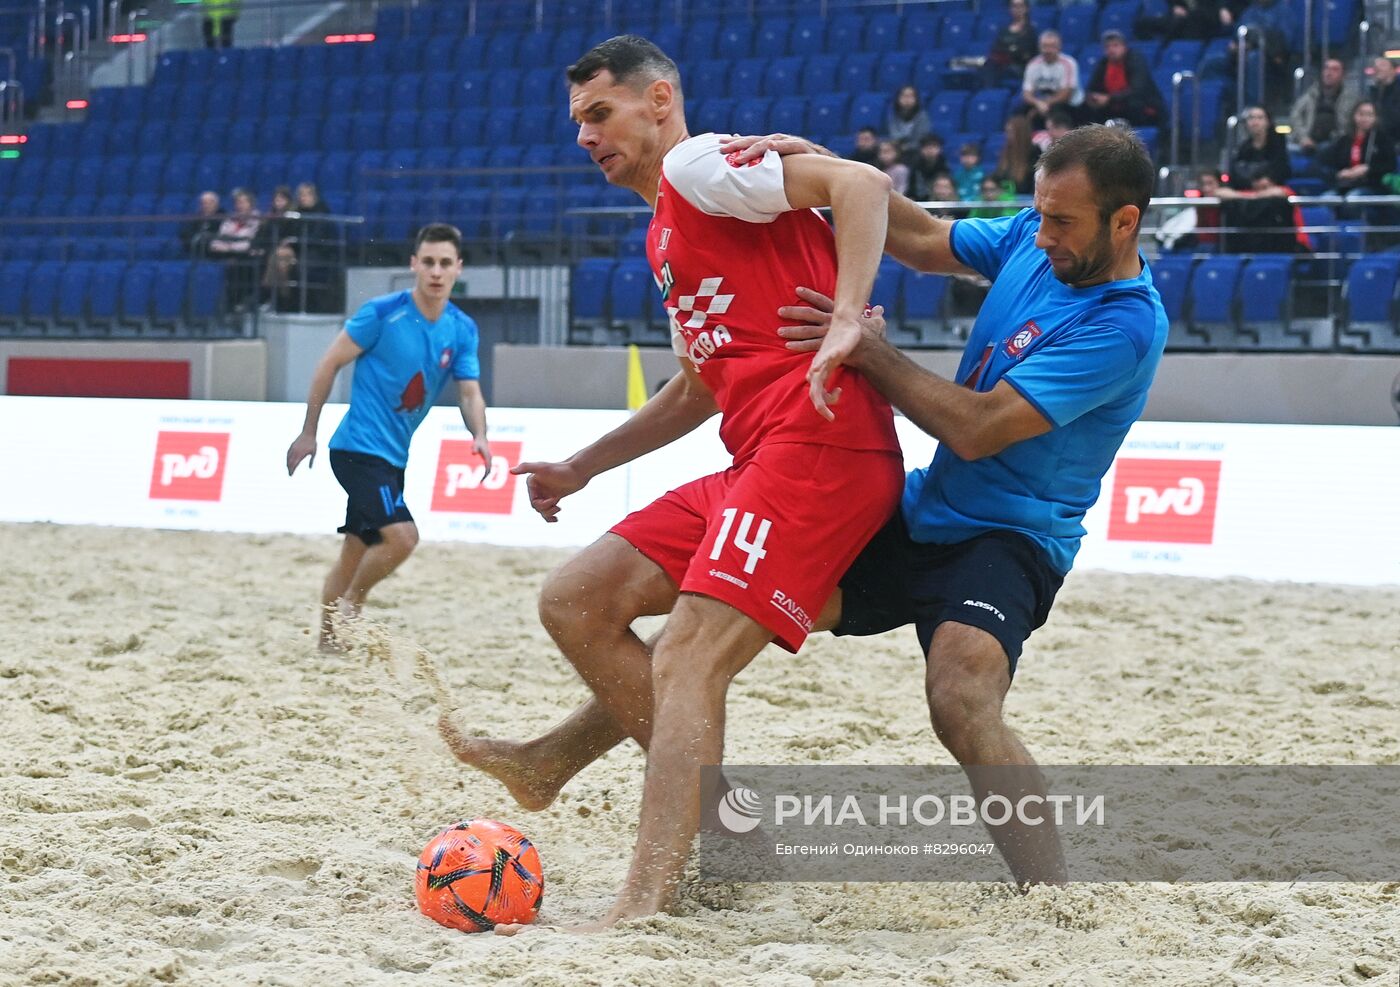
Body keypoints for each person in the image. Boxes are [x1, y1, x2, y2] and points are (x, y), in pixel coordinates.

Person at [450, 123, 1169, 900]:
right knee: (718, 617)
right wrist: (824, 165)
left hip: (1010, 535)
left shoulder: (1126, 323)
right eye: (1041, 212)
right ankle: (553, 759)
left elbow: (979, 425)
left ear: (1124, 221)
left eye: (1063, 222)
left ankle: (1052, 899)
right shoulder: (1038, 233)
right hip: (916, 510)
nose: (1045, 232)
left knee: (960, 696)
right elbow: (923, 238)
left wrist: (861, 344)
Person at [441, 34, 904, 933]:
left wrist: (850, 318)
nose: (585, 136)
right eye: (577, 122)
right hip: (757, 455)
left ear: (659, 102)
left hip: (823, 446)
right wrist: (583, 465)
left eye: (599, 114)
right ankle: (594, 781)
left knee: (688, 652)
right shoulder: (665, 222)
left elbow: (861, 185)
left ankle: (646, 896)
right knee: (578, 597)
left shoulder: (697, 166)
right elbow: (699, 384)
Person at [285, 224, 491, 651]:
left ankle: (327, 646)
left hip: (393, 457)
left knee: (355, 551)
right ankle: (351, 607)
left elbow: (468, 390)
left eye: (445, 264)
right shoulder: (381, 313)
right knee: (402, 537)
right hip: (356, 450)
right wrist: (308, 432)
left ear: (458, 269)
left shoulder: (461, 329)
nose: (436, 272)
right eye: (428, 262)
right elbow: (327, 365)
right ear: (414, 264)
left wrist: (481, 435)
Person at [1082, 30, 1165, 127]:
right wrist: (1094, 98)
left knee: (1133, 104)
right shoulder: (1103, 64)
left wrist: (1109, 99)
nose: (1111, 50)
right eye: (1107, 47)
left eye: (1115, 45)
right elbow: (1092, 87)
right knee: (1085, 107)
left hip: (1141, 106)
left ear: (1124, 47)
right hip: (1113, 106)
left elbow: (1137, 90)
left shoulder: (1136, 60)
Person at [1317, 100, 1396, 197]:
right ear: (1354, 116)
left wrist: (1367, 169)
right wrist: (1339, 173)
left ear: (1375, 118)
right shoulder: (1344, 140)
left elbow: (1390, 165)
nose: (1364, 118)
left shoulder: (1382, 140)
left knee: (1353, 198)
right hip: (1344, 186)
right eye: (1361, 114)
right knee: (1326, 198)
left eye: (1369, 115)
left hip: (1372, 186)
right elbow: (1325, 163)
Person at [1290, 58, 1360, 154]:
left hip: (1338, 144)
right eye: (1326, 68)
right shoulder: (1310, 94)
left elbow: (1352, 126)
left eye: (1334, 69)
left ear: (1343, 75)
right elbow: (1295, 115)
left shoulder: (1352, 99)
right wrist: (1303, 138)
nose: (1329, 73)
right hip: (1308, 141)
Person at [1021, 30, 1080, 129]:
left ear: (1059, 47)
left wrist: (1045, 104)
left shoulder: (1069, 63)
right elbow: (1026, 93)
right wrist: (1038, 104)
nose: (1047, 50)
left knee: (1057, 110)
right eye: (1044, 46)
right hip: (1040, 101)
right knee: (1020, 112)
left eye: (1051, 46)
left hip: (1064, 104)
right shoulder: (1033, 64)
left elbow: (1066, 94)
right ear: (1039, 47)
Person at [1226, 105, 1290, 190]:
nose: (1255, 122)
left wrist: (1267, 180)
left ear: (1268, 121)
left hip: (1272, 189)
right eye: (1251, 118)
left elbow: (1281, 169)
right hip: (1247, 188)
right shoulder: (1243, 148)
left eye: (1260, 118)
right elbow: (1235, 173)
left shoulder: (1279, 143)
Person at [983, 0, 1039, 88]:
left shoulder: (1031, 31)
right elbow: (996, 49)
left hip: (1021, 66)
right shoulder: (1003, 31)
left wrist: (1010, 50)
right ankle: (988, 94)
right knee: (988, 65)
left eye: (1020, 6)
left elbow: (1026, 52)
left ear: (1026, 9)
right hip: (1003, 65)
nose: (1017, 9)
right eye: (1014, 6)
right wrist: (1011, 49)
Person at [995, 114, 1040, 194]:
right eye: (1007, 132)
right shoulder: (1006, 152)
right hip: (1005, 199)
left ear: (1020, 133)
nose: (1007, 136)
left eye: (1010, 132)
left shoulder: (1034, 153)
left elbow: (1031, 184)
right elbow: (998, 177)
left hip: (1023, 200)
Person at [886, 85, 931, 156]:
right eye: (904, 96)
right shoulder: (893, 114)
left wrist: (906, 147)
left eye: (910, 96)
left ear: (916, 99)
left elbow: (920, 139)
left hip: (916, 152)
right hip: (896, 149)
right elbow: (894, 135)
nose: (907, 99)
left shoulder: (922, 116)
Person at [1366, 56, 1400, 144]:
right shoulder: (1372, 92)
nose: (1378, 68)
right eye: (1376, 66)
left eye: (1382, 65)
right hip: (1378, 139)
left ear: (1393, 70)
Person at [179, 190, 222, 256]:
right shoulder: (197, 217)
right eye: (203, 203)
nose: (206, 206)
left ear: (216, 204)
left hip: (214, 253)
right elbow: (186, 233)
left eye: (209, 203)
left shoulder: (222, 217)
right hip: (196, 250)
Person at [909, 133, 951, 199]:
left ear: (940, 149)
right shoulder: (915, 166)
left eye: (934, 146)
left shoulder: (944, 166)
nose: (930, 150)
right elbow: (911, 189)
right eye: (926, 146)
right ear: (921, 149)